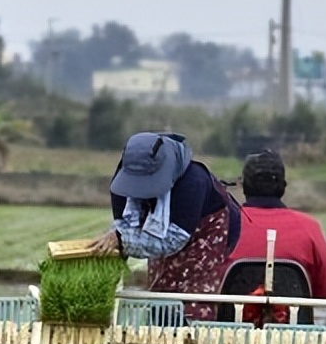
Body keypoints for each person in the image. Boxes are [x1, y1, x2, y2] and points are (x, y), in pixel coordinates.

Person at [90, 131, 241, 321]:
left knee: (195, 298)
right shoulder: (123, 179)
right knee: (161, 291)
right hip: (158, 225)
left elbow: (173, 239)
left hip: (207, 230)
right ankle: (162, 343)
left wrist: (121, 240)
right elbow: (124, 226)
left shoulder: (193, 181)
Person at [228, 148, 326, 303]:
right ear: (283, 186)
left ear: (244, 186)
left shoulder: (223, 224)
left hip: (229, 324)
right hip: (292, 323)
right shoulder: (308, 227)